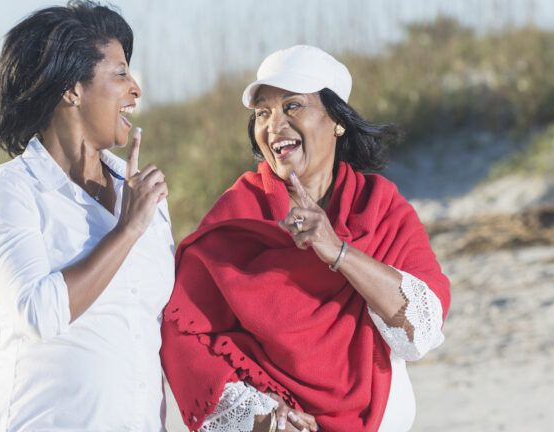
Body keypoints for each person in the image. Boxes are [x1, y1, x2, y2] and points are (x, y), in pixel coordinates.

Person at [161, 45, 451, 432]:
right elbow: (188, 336)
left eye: (292, 106)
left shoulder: (380, 207)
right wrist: (263, 419)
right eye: (263, 112)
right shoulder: (235, 217)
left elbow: (420, 334)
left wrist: (337, 251)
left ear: (337, 120)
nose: (274, 124)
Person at [0, 2, 173, 431]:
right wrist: (127, 230)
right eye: (119, 73)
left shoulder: (143, 196)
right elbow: (39, 313)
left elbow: (149, 328)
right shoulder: (12, 189)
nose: (135, 88)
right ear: (71, 89)